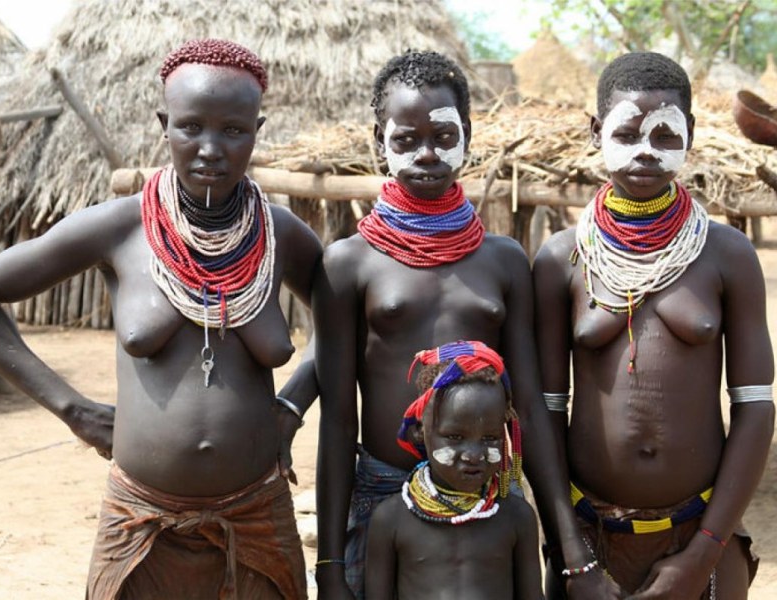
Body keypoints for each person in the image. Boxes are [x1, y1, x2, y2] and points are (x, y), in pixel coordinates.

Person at [0, 39, 322, 599]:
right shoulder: (120, 228)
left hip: (257, 512)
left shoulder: (281, 234)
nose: (210, 148)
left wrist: (292, 404)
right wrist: (74, 410)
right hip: (141, 516)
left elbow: (341, 318)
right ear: (165, 123)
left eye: (233, 130)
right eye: (191, 127)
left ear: (258, 128)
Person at [313, 50, 618, 600]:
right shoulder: (348, 264)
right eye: (405, 140)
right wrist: (330, 566)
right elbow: (337, 420)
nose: (426, 153)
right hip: (384, 489)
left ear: (469, 137)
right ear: (378, 143)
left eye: (443, 135)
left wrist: (570, 550)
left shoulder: (502, 261)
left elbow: (531, 405)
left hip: (492, 489)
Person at [533, 51, 774, 599]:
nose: (646, 151)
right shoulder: (559, 259)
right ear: (595, 132)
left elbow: (756, 407)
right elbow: (542, 411)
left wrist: (705, 551)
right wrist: (574, 558)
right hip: (589, 538)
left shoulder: (726, 255)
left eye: (665, 135)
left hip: (700, 532)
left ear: (690, 133)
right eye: (627, 132)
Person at [365, 340, 543, 600]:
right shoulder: (391, 519)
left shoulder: (517, 517)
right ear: (419, 432)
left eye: (490, 438)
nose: (473, 455)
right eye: (455, 437)